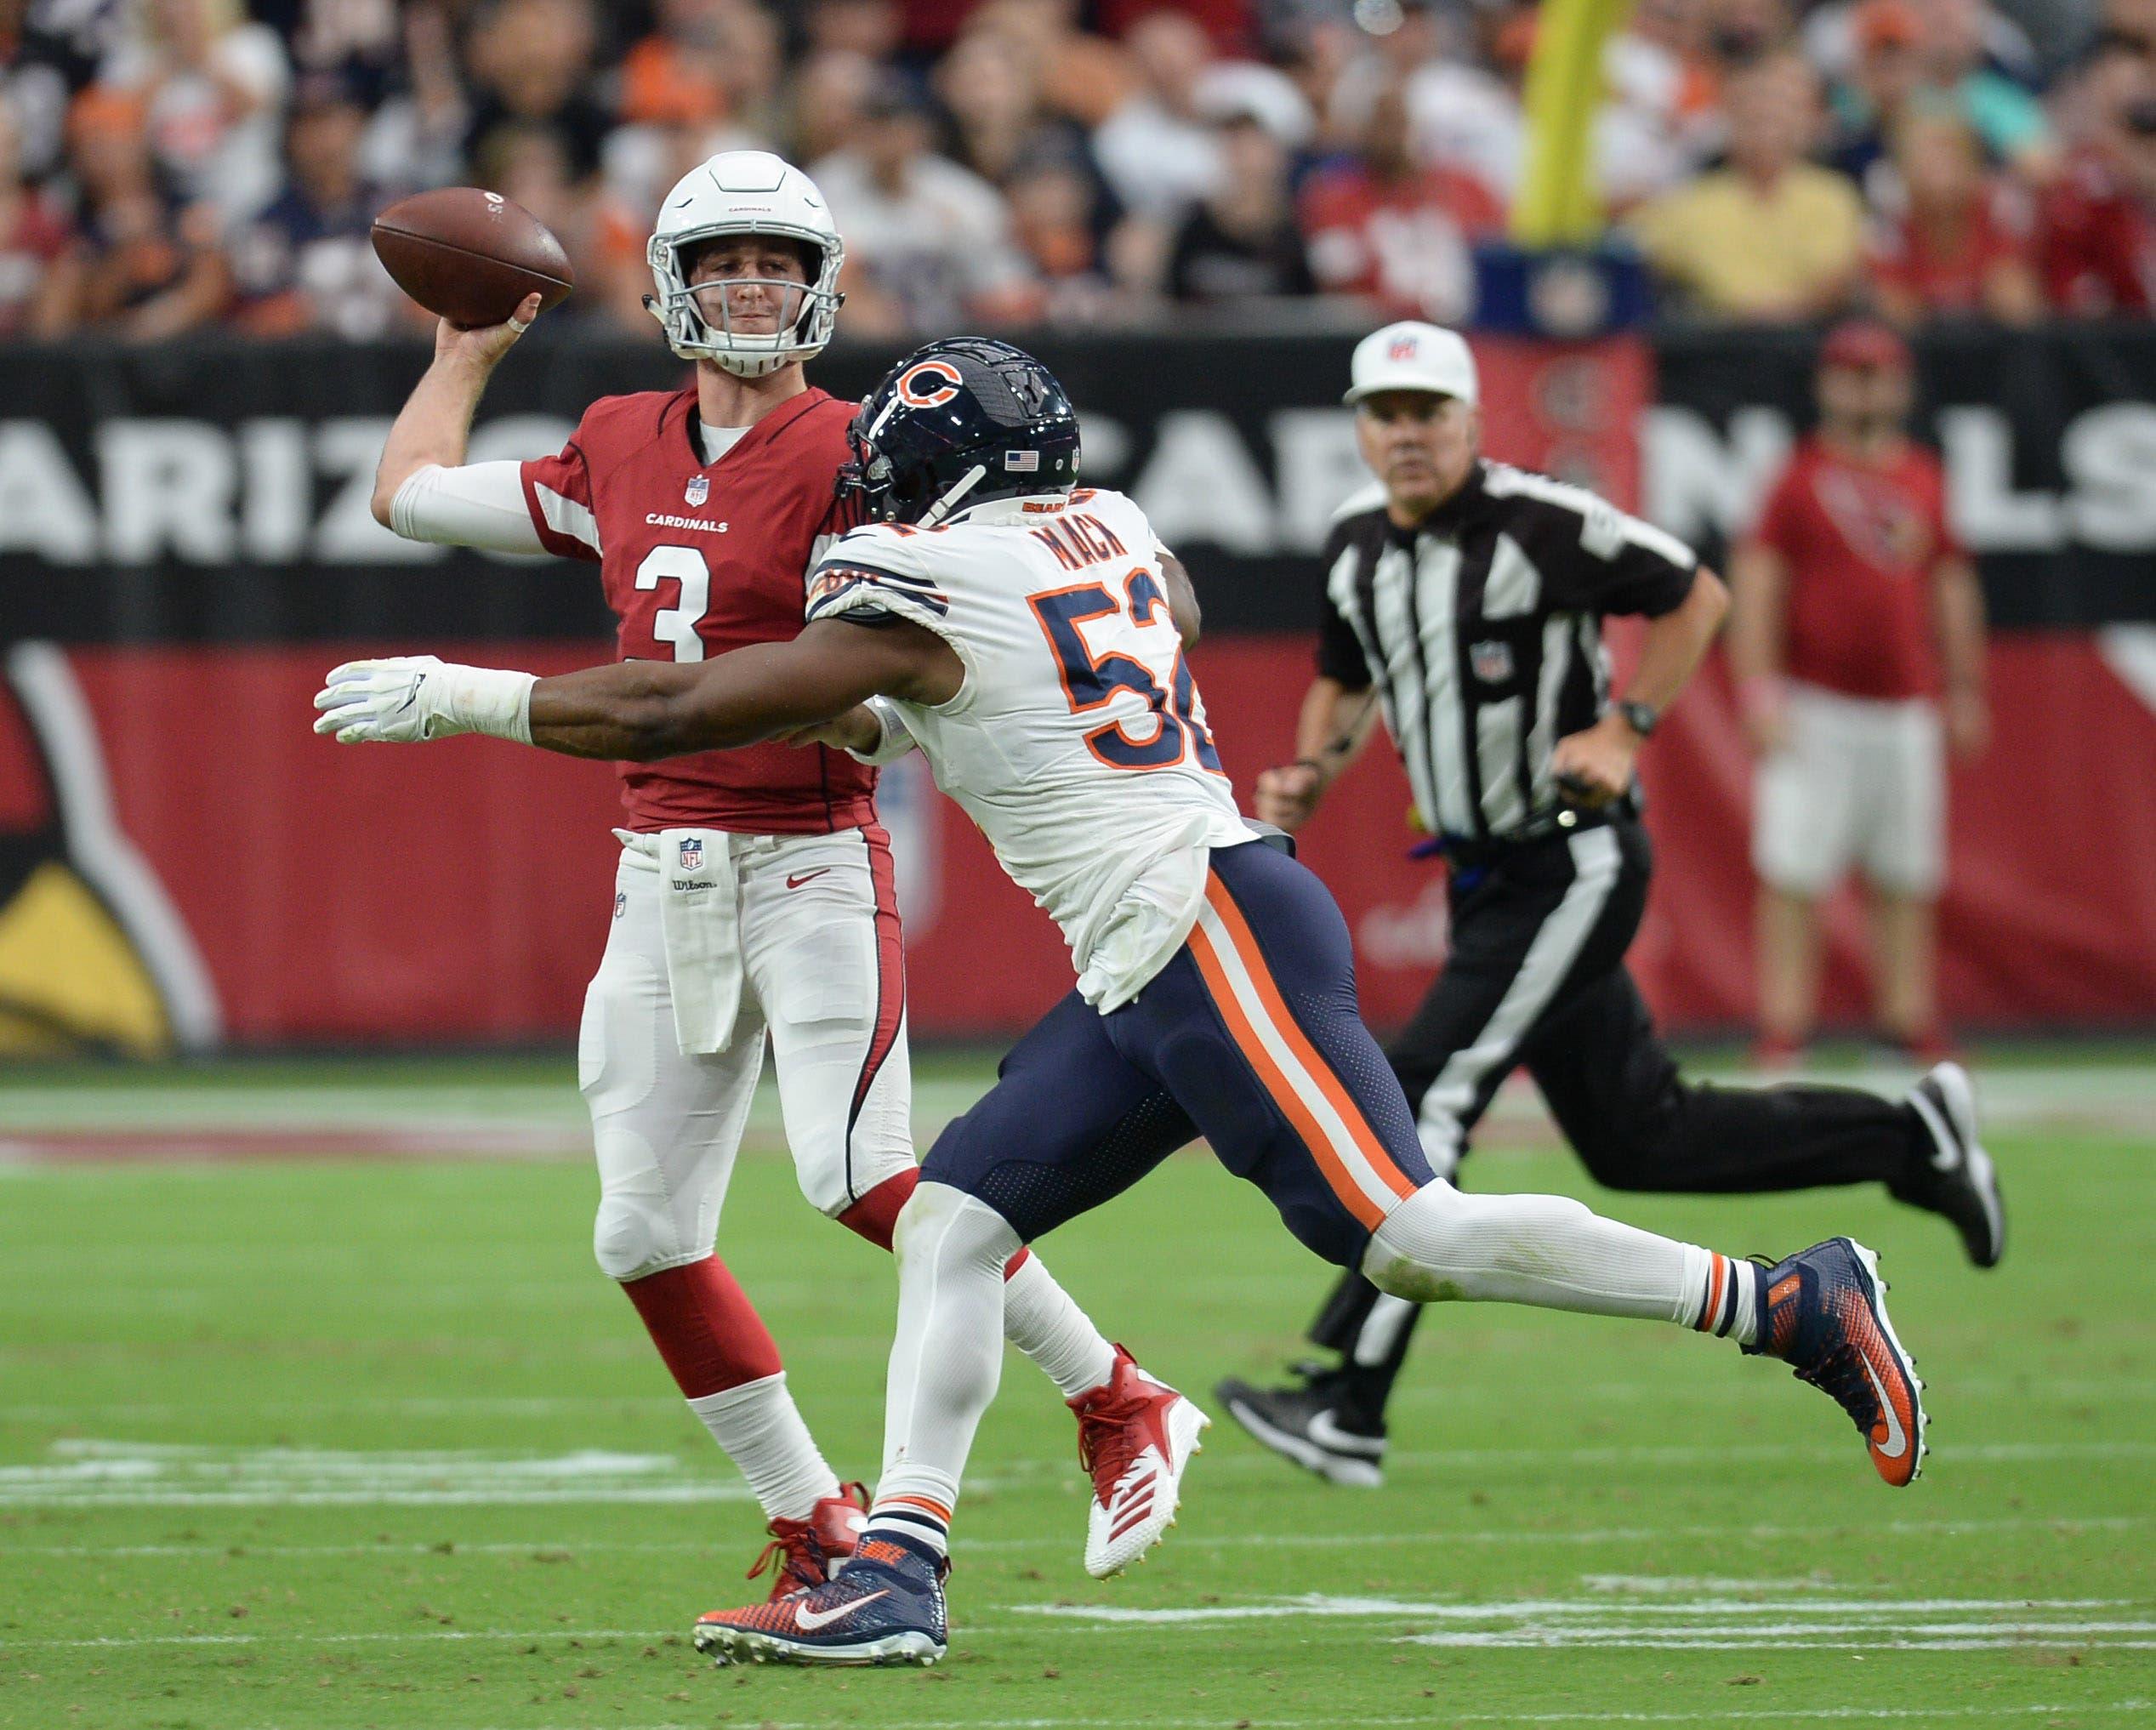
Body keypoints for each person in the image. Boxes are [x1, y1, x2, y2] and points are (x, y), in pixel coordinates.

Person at [318, 335, 1935, 1670]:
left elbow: (683, 696)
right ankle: (900, 1567)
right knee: (951, 1216)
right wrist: (927, 713)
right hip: (1148, 939)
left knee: (1410, 1238)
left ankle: (1785, 1298)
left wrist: (472, 697)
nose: (869, 484)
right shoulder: (1109, 530)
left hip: (1203, 924)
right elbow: (1071, 664)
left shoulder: (929, 572)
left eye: (891, 460)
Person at [358, 151, 1176, 1597]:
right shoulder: (617, 436)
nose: (753, 283)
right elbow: (410, 495)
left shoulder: (874, 455)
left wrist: (793, 701)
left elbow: (892, 706)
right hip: (655, 869)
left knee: (863, 1175)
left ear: (821, 285)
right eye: (727, 259)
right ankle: (815, 1517)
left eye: (780, 263)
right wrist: (464, 348)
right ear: (675, 280)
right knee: (643, 1231)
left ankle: (1115, 1390)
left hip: (806, 861)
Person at [1211, 320, 2002, 1488]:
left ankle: (1347, 1399)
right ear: (1360, 426)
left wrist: (1622, 725)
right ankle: (1906, 1137)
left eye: (1429, 411)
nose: (1408, 433)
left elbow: (1694, 594)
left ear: (1471, 422)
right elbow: (1346, 672)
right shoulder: (1354, 549)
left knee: (1427, 1093)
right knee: (1640, 1134)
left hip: (1570, 858)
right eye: (1385, 413)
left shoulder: (1542, 521)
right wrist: (1310, 771)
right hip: (1487, 879)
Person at [1730, 318, 1989, 1065]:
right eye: (1850, 374)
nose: (1864, 389)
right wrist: (1758, 690)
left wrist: (1963, 687)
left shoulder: (1922, 477)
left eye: (1877, 375)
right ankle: (1784, 1022)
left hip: (1903, 704)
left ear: (1901, 386)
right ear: (1826, 384)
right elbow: (1758, 584)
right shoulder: (1796, 477)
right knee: (1791, 870)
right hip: (1814, 703)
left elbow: (1948, 584)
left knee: (1905, 872)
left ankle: (1903, 1018)